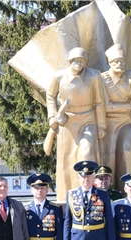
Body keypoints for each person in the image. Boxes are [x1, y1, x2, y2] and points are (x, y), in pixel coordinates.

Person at [46, 47, 106, 201]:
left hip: (88, 119)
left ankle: (89, 193)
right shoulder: (59, 77)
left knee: (86, 151)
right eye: (76, 61)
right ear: (70, 61)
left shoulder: (94, 76)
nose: (79, 64)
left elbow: (99, 102)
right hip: (67, 121)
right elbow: (50, 96)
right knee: (67, 159)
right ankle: (68, 196)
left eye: (82, 61)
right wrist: (52, 116)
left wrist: (101, 125)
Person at [100, 43, 131, 190]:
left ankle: (127, 190)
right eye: (116, 61)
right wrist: (129, 106)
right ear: (109, 63)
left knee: (127, 150)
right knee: (108, 158)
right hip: (108, 122)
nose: (120, 64)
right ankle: (109, 191)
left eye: (122, 61)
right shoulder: (102, 79)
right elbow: (105, 105)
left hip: (128, 120)